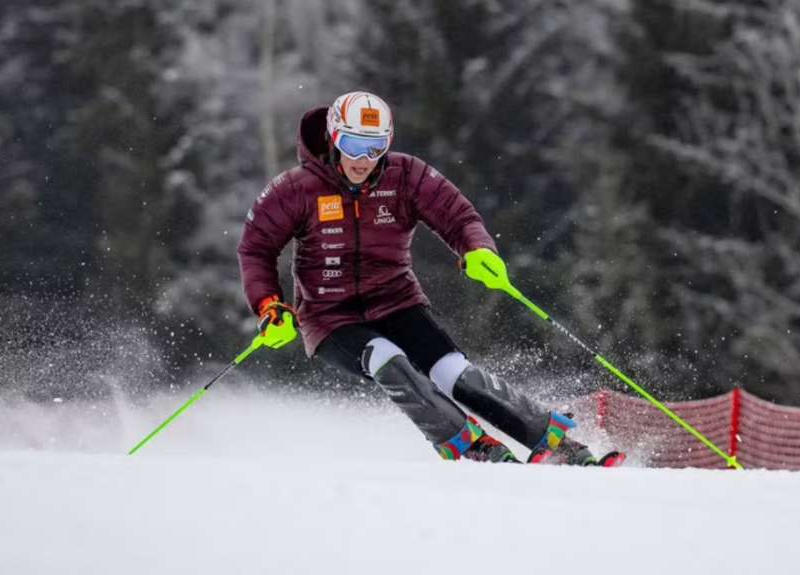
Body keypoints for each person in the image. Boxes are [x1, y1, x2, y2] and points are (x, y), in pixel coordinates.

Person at [238, 91, 622, 466]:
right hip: (330, 316)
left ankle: (556, 445)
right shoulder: (296, 189)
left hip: (396, 301)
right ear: (334, 137)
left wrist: (477, 250)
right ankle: (471, 446)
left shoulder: (405, 175)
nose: (362, 159)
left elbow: (459, 217)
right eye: (353, 145)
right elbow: (256, 249)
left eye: (374, 148)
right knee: (387, 359)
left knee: (452, 371)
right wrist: (270, 305)